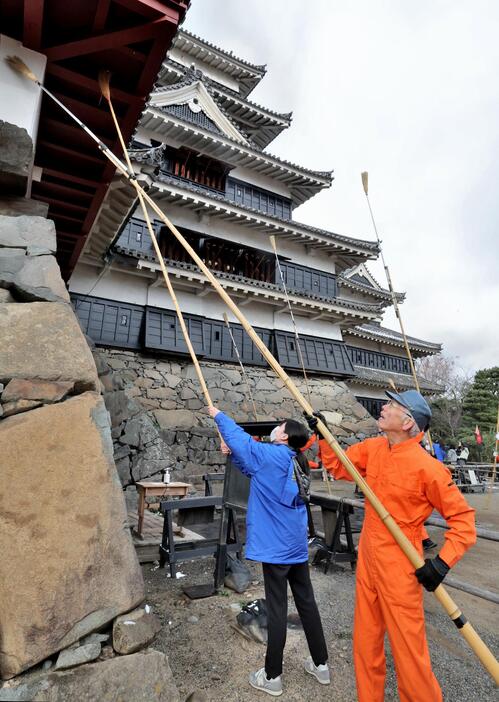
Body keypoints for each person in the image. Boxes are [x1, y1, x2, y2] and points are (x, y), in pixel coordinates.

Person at [307, 389, 476, 702]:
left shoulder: (429, 468)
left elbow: (464, 522)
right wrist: (323, 436)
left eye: (392, 405)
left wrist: (440, 564)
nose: (383, 407)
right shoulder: (374, 448)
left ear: (408, 421)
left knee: (409, 650)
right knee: (366, 642)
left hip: (402, 564)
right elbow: (340, 467)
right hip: (368, 556)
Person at [207, 406, 329, 697]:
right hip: (295, 545)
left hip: (277, 549)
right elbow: (252, 467)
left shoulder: (272, 454)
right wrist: (233, 454)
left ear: (285, 435)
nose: (275, 428)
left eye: (279, 426)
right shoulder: (295, 458)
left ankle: (272, 676)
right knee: (307, 603)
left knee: (277, 610)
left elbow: (245, 443)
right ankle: (321, 664)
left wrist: (218, 415)